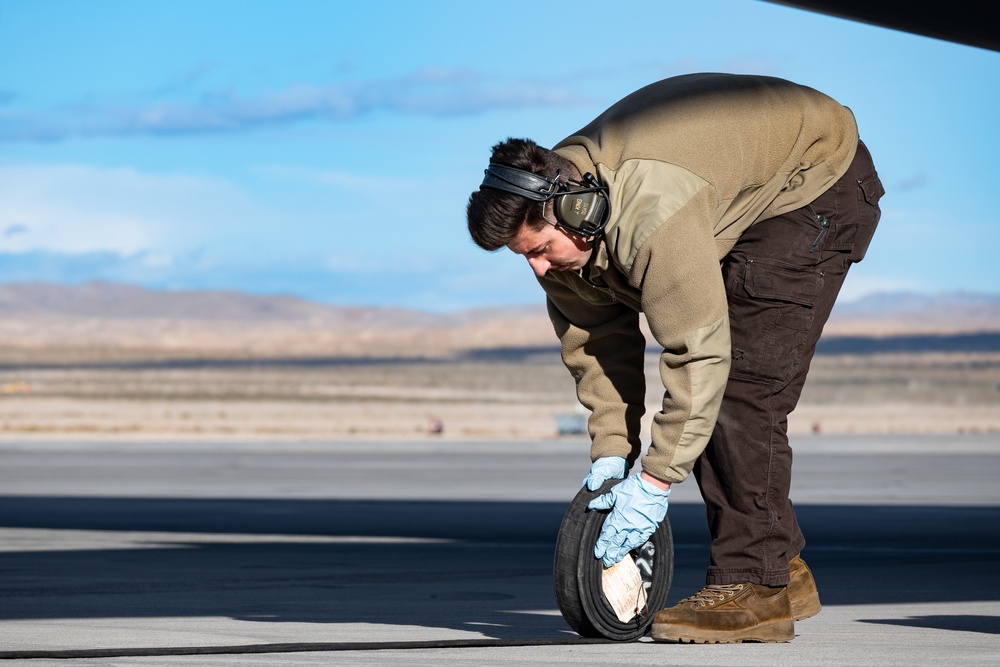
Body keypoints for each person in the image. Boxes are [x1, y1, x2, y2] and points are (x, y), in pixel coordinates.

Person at [465, 73, 883, 643]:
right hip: (732, 182)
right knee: (715, 396)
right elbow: (597, 348)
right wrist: (613, 454)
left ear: (578, 211)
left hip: (812, 180)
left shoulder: (652, 215)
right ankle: (779, 566)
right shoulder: (563, 239)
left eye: (538, 250)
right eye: (523, 257)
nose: (536, 268)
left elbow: (698, 356)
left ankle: (753, 587)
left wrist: (657, 481)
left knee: (737, 389)